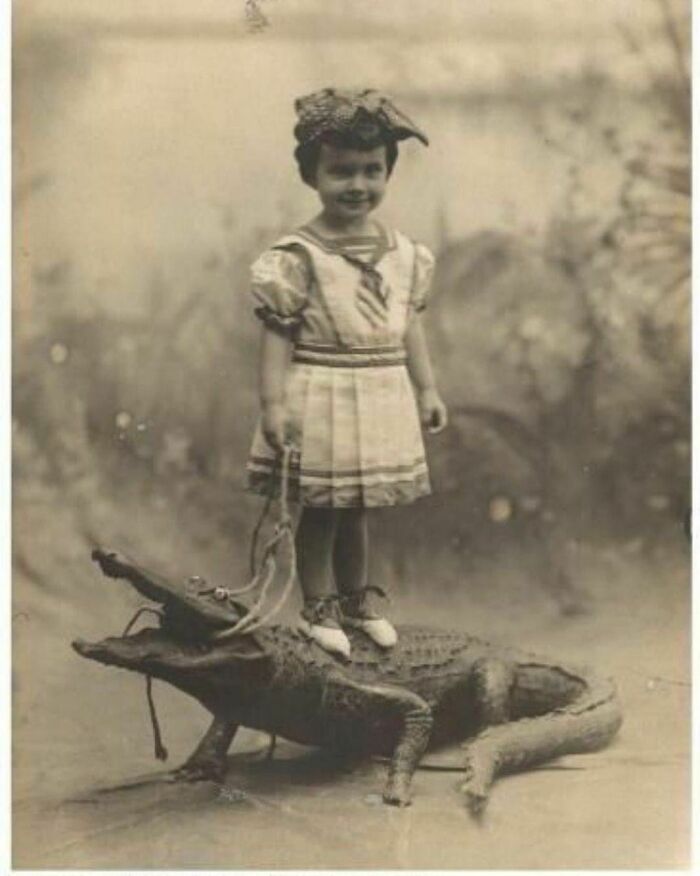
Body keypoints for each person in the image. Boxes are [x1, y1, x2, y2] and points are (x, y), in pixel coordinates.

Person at [246, 88, 447, 657]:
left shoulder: (405, 253)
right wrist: (273, 406)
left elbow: (408, 324)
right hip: (324, 390)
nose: (357, 185)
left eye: (371, 170)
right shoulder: (298, 255)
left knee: (358, 505)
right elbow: (277, 333)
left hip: (380, 388)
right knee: (325, 506)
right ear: (312, 175)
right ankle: (318, 606)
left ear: (387, 173)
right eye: (340, 172)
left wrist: (427, 387)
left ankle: (357, 601)